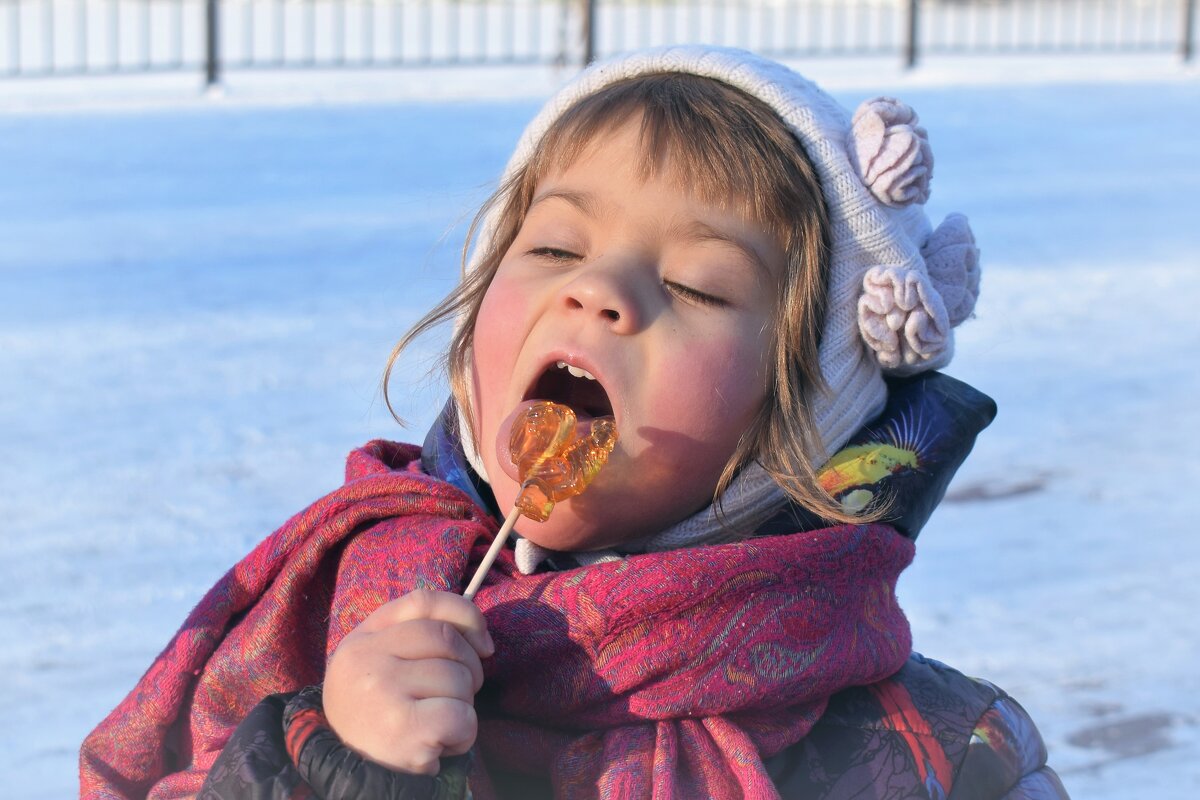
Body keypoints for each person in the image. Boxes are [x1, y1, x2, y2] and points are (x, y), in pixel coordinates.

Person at [80, 45, 1070, 799]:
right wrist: (331, 762)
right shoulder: (329, 612)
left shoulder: (936, 749)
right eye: (554, 245)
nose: (599, 289)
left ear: (801, 422)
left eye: (697, 283)